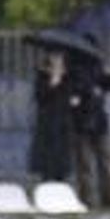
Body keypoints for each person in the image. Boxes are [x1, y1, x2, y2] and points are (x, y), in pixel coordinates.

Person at [65, 47, 110, 208]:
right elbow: (75, 93)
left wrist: (109, 74)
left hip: (99, 120)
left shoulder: (99, 66)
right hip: (82, 121)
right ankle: (87, 197)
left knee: (104, 161)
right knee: (85, 163)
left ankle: (107, 196)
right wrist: (89, 91)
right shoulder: (73, 68)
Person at [29, 51, 74, 185]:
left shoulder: (68, 77)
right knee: (48, 155)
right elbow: (40, 97)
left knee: (62, 155)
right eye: (54, 58)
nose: (57, 61)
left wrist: (72, 99)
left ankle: (61, 180)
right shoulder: (43, 75)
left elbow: (70, 94)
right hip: (47, 121)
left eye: (59, 59)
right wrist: (52, 83)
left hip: (63, 121)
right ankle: (47, 180)